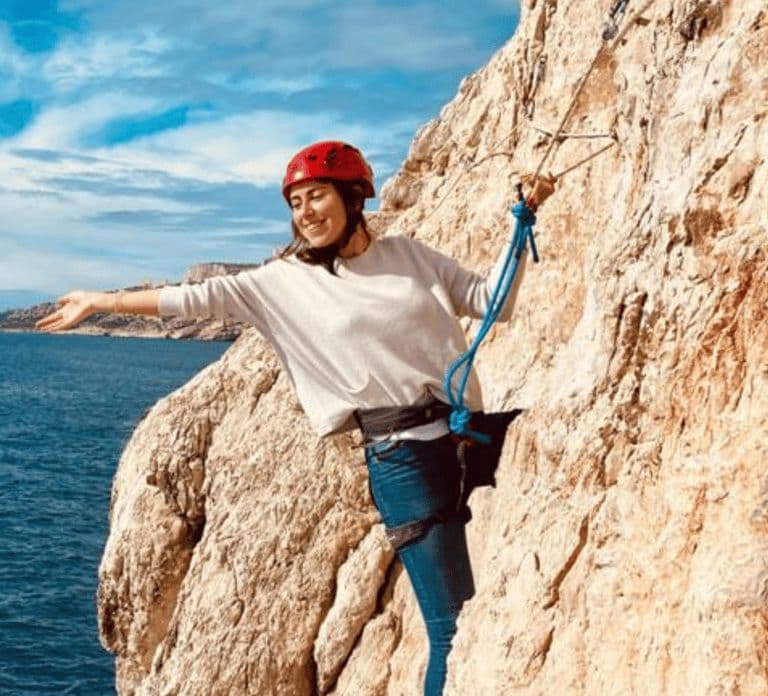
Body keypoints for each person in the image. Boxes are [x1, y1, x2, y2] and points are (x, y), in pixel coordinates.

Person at [36, 140, 554, 695]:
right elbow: (191, 299)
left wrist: (522, 222)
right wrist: (99, 300)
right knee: (449, 625)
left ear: (354, 198)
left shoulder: (410, 256)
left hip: (464, 434)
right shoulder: (282, 282)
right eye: (295, 202)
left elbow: (491, 300)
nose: (304, 212)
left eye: (316, 196)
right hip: (404, 460)